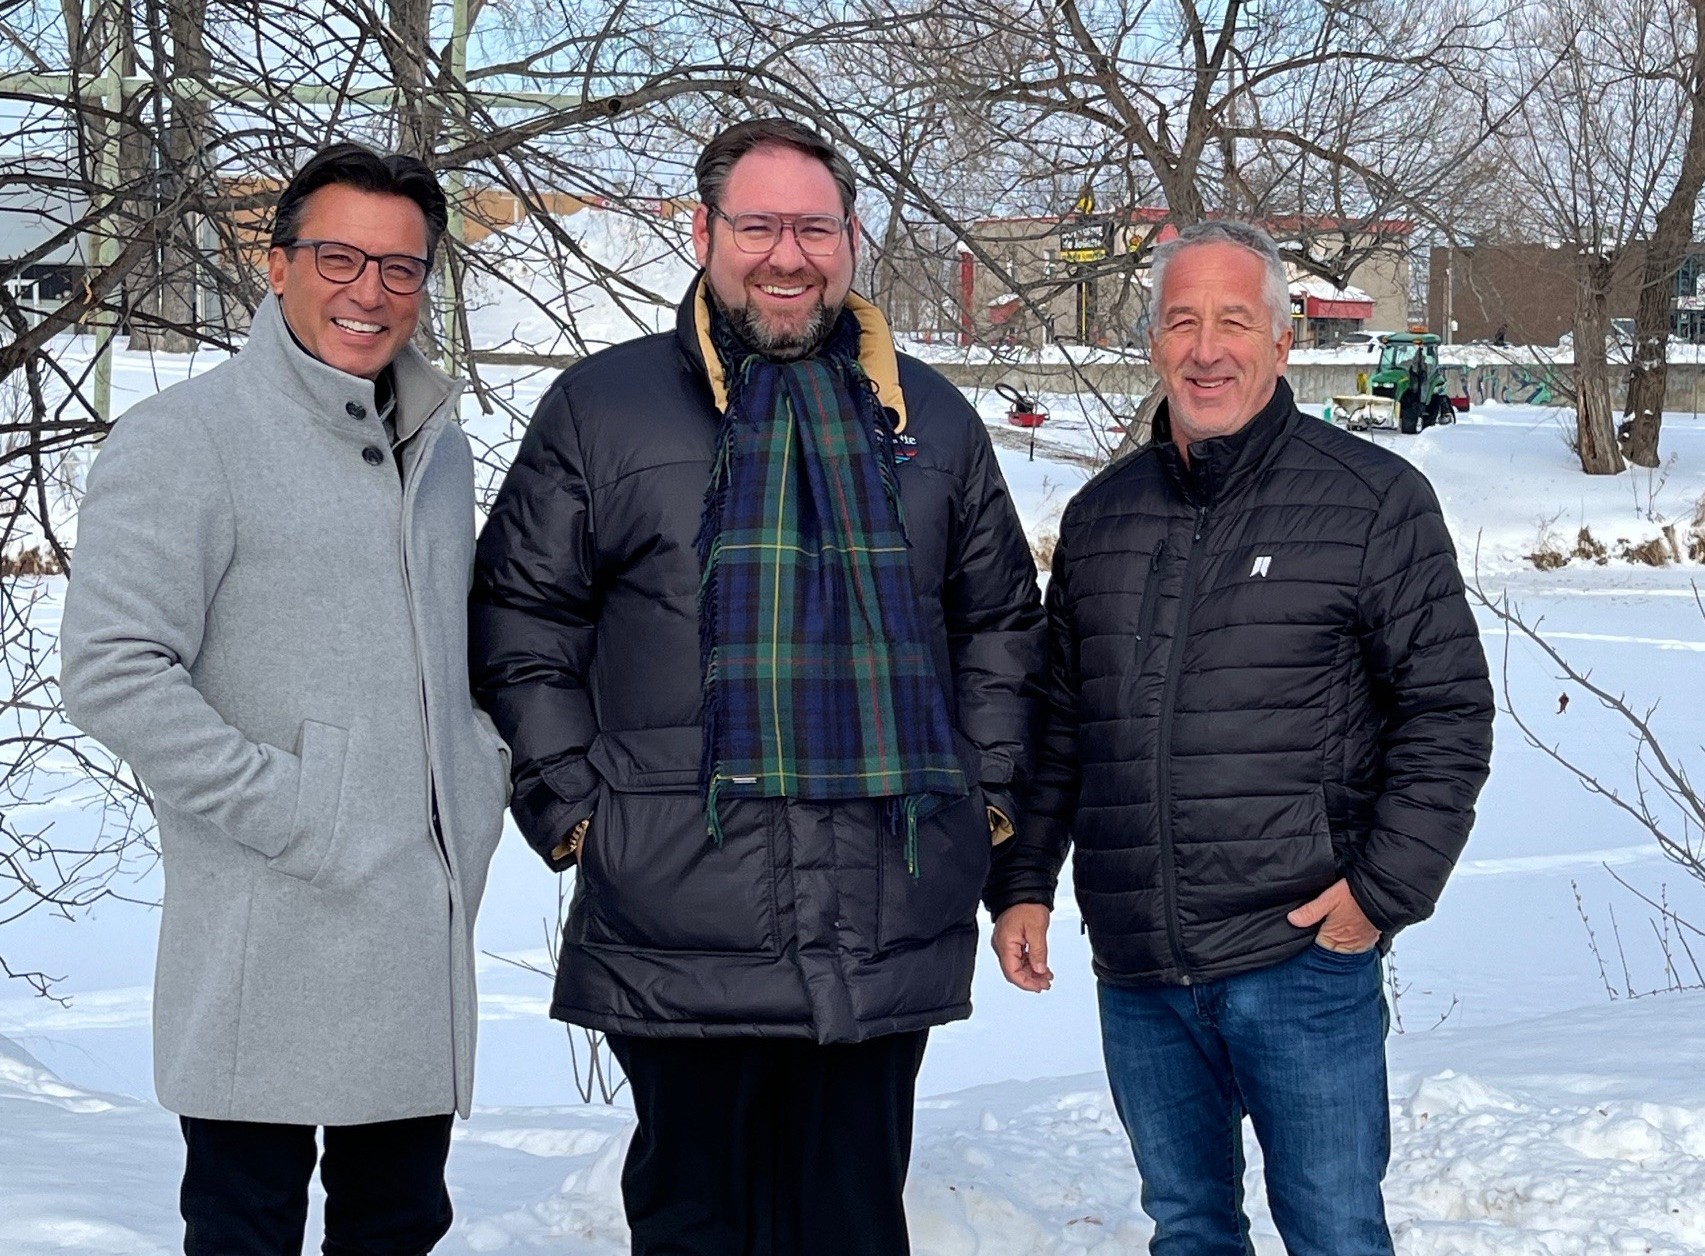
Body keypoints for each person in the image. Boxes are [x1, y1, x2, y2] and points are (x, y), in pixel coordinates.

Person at [470, 117, 1043, 1256]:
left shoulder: (928, 419)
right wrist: (581, 808)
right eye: (759, 225)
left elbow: (998, 625)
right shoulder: (605, 408)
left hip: (884, 901)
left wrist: (980, 798)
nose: (789, 255)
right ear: (704, 232)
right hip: (678, 899)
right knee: (696, 1229)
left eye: (814, 227)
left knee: (849, 1225)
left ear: (852, 239)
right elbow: (520, 615)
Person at [985, 219, 1494, 1256]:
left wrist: (1379, 895)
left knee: (1334, 1230)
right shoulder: (1101, 516)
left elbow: (1445, 710)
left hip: (1299, 953)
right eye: (1182, 322)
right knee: (1187, 1227)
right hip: (1139, 965)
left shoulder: (1369, 500)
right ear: (1153, 343)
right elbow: (1061, 722)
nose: (1205, 348)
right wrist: (1024, 880)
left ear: (1279, 340)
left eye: (1232, 321)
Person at [60, 142, 511, 1256]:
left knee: (399, 1222)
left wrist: (477, 767)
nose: (371, 290)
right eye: (339, 257)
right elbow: (112, 666)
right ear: (275, 264)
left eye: (402, 268)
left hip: (412, 919)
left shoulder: (437, 444)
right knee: (244, 1225)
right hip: (267, 920)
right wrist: (302, 811)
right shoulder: (185, 439)